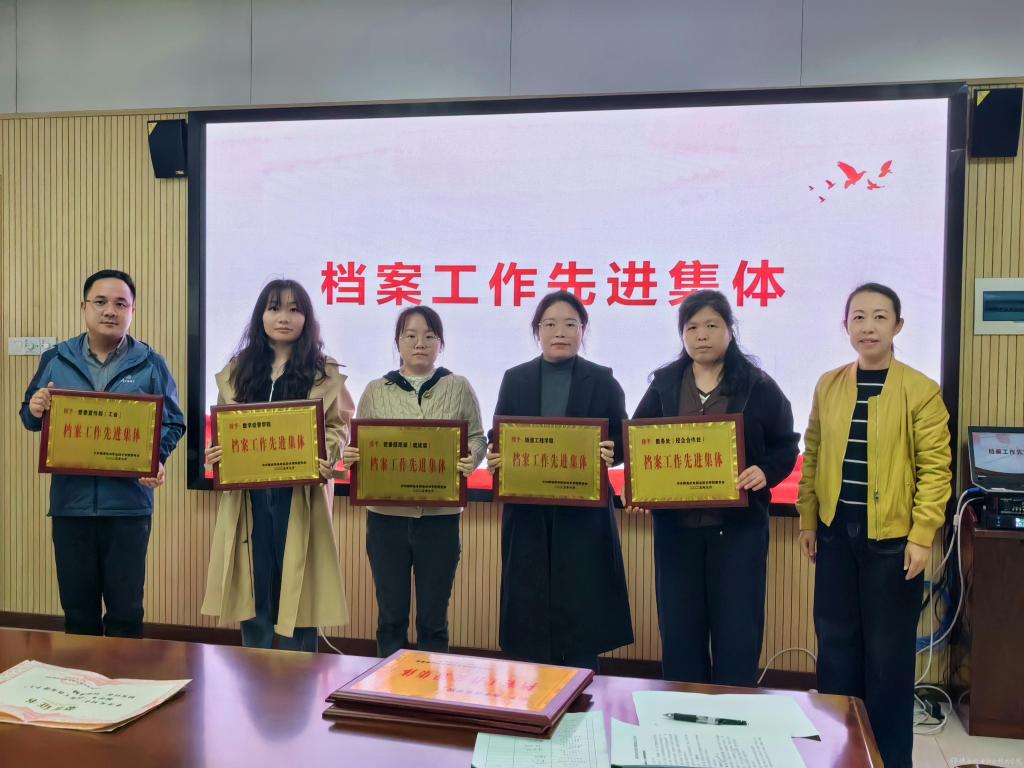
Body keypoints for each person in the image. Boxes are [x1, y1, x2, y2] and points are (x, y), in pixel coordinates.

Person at [797, 282, 952, 768]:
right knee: (836, 649)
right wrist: (807, 519)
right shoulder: (829, 385)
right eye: (858, 317)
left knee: (887, 660)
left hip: (893, 542)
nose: (868, 327)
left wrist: (922, 535)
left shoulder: (921, 390)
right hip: (835, 533)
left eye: (880, 317)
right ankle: (841, 754)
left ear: (898, 326)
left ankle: (888, 760)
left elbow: (936, 470)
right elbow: (813, 453)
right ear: (845, 326)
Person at [629, 289, 799, 686]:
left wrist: (765, 471)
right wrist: (638, 486)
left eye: (711, 325)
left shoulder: (757, 384)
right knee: (680, 631)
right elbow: (638, 440)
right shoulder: (665, 385)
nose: (701, 335)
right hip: (677, 535)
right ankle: (683, 714)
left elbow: (786, 445)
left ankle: (734, 714)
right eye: (691, 327)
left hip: (738, 533)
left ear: (729, 330)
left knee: (737, 632)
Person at [20, 269, 185, 638]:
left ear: (132, 311)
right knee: (78, 612)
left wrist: (156, 457)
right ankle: (84, 676)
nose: (110, 310)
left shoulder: (151, 363)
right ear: (84, 307)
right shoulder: (56, 358)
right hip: (71, 506)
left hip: (128, 507)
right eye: (101, 302)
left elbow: (174, 422)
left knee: (126, 612)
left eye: (121, 304)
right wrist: (34, 407)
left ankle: (124, 675)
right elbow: (30, 419)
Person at [202, 279, 353, 651]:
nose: (283, 317)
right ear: (261, 316)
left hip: (299, 495)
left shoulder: (323, 372)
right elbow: (224, 428)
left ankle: (299, 674)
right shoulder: (238, 370)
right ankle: (256, 670)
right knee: (254, 585)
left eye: (293, 309)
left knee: (298, 588)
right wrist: (215, 452)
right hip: (249, 496)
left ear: (306, 318)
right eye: (274, 308)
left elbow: (339, 426)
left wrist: (328, 452)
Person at [487, 290, 633, 672]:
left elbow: (623, 440)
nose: (560, 332)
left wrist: (613, 451)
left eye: (570, 324)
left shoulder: (602, 380)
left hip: (583, 516)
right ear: (537, 331)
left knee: (582, 611)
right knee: (529, 612)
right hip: (529, 515)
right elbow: (498, 435)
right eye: (550, 324)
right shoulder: (515, 379)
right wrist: (495, 453)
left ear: (582, 330)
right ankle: (530, 696)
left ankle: (583, 691)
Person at [344, 306, 486, 657]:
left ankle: (429, 688)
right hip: (386, 520)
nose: (420, 343)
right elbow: (359, 443)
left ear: (441, 343)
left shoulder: (458, 387)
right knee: (390, 618)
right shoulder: (376, 390)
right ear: (398, 342)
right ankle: (388, 685)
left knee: (433, 621)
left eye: (429, 336)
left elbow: (477, 437)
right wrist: (352, 456)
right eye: (410, 336)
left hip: (440, 520)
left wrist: (472, 457)